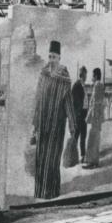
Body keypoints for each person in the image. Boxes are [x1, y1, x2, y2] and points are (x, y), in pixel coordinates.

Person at [30, 40, 78, 199]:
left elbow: (69, 103)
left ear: (59, 58)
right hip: (43, 124)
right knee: (41, 158)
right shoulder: (43, 74)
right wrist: (34, 124)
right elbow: (37, 100)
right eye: (49, 56)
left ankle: (51, 192)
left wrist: (72, 126)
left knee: (52, 159)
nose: (51, 59)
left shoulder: (64, 78)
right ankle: (40, 192)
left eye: (54, 57)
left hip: (56, 126)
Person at [84, 68, 105, 168]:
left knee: (92, 139)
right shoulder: (101, 85)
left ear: (95, 76)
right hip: (98, 117)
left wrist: (90, 116)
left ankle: (91, 162)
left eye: (92, 76)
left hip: (95, 116)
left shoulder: (97, 86)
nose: (91, 78)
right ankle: (94, 161)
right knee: (96, 139)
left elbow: (95, 103)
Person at [71, 66, 88, 164]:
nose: (86, 76)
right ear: (83, 74)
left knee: (83, 135)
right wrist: (77, 113)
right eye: (85, 74)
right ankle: (73, 156)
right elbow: (74, 100)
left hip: (84, 114)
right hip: (79, 114)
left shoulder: (83, 85)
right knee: (76, 136)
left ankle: (82, 156)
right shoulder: (77, 85)